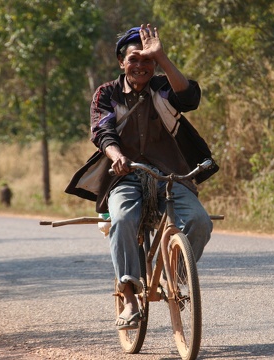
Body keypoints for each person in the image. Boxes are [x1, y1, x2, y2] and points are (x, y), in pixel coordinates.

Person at [65, 24, 218, 330]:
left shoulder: (163, 88)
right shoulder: (106, 93)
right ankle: (129, 295)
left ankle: (176, 272)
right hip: (125, 175)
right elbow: (102, 131)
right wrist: (117, 156)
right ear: (122, 62)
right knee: (122, 219)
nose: (140, 66)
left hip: (170, 177)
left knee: (200, 221)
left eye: (147, 60)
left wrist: (161, 57)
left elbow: (189, 98)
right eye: (134, 59)